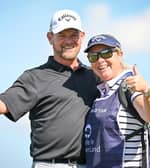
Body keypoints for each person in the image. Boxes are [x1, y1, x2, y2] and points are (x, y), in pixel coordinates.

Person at [0, 9, 99, 168]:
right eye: (61, 35)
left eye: (73, 35)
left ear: (82, 37)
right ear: (50, 38)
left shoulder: (95, 77)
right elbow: (3, 104)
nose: (68, 41)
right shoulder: (35, 77)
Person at [84, 34, 150, 168]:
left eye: (106, 53)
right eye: (94, 56)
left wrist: (147, 91)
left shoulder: (129, 86)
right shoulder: (102, 91)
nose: (100, 60)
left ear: (120, 54)